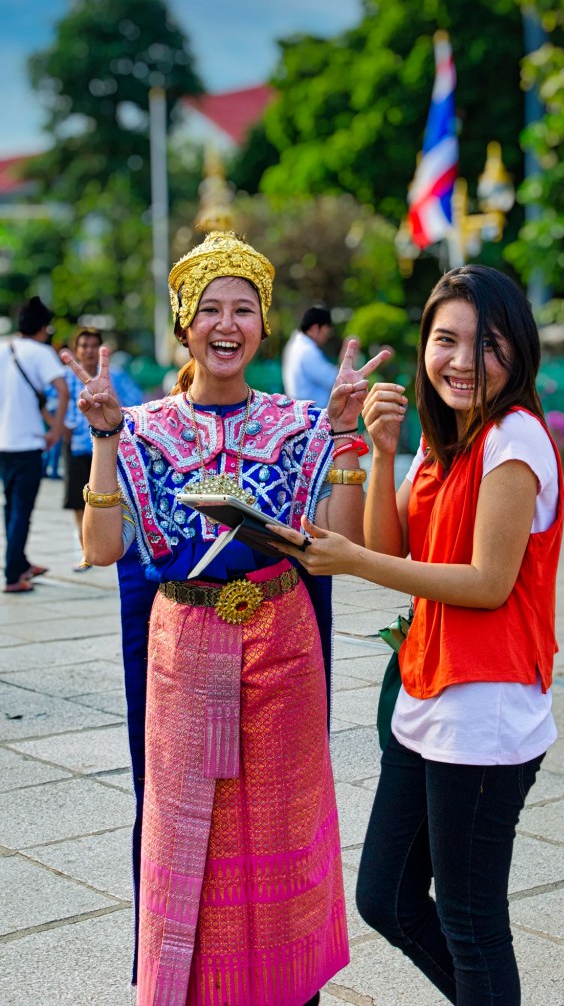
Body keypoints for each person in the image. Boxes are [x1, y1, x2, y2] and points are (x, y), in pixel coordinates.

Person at [61, 230, 390, 1006]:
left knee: (280, 830)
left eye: (244, 308)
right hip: (183, 649)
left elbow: (348, 542)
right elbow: (104, 548)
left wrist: (346, 436)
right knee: (185, 837)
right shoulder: (142, 428)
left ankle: (287, 990)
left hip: (283, 646)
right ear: (185, 326)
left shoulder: (301, 423)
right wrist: (104, 438)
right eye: (209, 308)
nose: (227, 323)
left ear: (264, 324)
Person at [269, 265, 564, 1006]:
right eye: (447, 340)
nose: (463, 361)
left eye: (487, 343)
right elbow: (392, 543)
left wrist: (356, 562)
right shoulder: (448, 438)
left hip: (487, 704)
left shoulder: (515, 438)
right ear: (425, 347)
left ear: (518, 351)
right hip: (429, 689)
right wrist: (382, 450)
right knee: (387, 894)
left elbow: (487, 582)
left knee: (471, 921)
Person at [0, 296, 68, 593]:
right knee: (21, 510)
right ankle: (13, 575)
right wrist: (54, 428)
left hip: (3, 443)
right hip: (27, 443)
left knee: (10, 505)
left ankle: (20, 561)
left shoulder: (3, 349)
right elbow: (62, 390)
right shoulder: (41, 352)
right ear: (43, 327)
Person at [63, 327, 142, 571]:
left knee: (117, 498)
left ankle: (114, 542)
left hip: (111, 449)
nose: (87, 350)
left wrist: (112, 400)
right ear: (77, 349)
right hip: (77, 447)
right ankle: (87, 549)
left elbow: (136, 402)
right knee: (78, 501)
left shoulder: (114, 374)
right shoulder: (66, 376)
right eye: (83, 345)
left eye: (92, 345)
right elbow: (54, 403)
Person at [283, 304, 348, 404]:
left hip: (301, 409)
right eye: (326, 332)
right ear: (315, 328)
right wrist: (347, 355)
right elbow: (336, 380)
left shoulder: (294, 345)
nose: (327, 337)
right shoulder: (307, 351)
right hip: (312, 415)